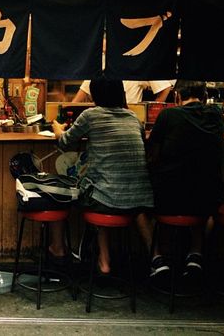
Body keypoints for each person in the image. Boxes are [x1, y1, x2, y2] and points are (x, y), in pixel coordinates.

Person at [52, 76, 154, 274]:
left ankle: (104, 261)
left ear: (95, 95)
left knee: (98, 192)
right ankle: (156, 260)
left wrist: (57, 129)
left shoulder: (90, 115)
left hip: (106, 198)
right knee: (115, 191)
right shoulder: (133, 117)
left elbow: (64, 142)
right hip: (139, 199)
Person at [147, 80, 224, 279]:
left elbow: (153, 156)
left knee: (148, 200)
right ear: (204, 96)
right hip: (207, 199)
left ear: (177, 97)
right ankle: (195, 254)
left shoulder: (168, 115)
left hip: (169, 199)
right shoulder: (216, 115)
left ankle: (160, 258)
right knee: (202, 189)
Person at [72, 79, 173, 104]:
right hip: (102, 118)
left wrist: (152, 112)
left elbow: (165, 87)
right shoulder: (99, 64)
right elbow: (75, 102)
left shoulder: (135, 64)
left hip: (131, 116)